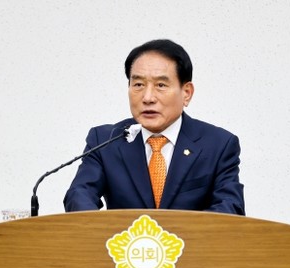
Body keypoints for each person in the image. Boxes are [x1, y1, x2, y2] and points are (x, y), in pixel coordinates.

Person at [64, 39, 245, 215]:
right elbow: (79, 194)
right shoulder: (105, 140)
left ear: (186, 93)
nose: (148, 97)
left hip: (192, 237)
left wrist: (174, 234)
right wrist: (105, 230)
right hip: (123, 237)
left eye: (160, 85)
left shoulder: (218, 145)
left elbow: (230, 207)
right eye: (138, 85)